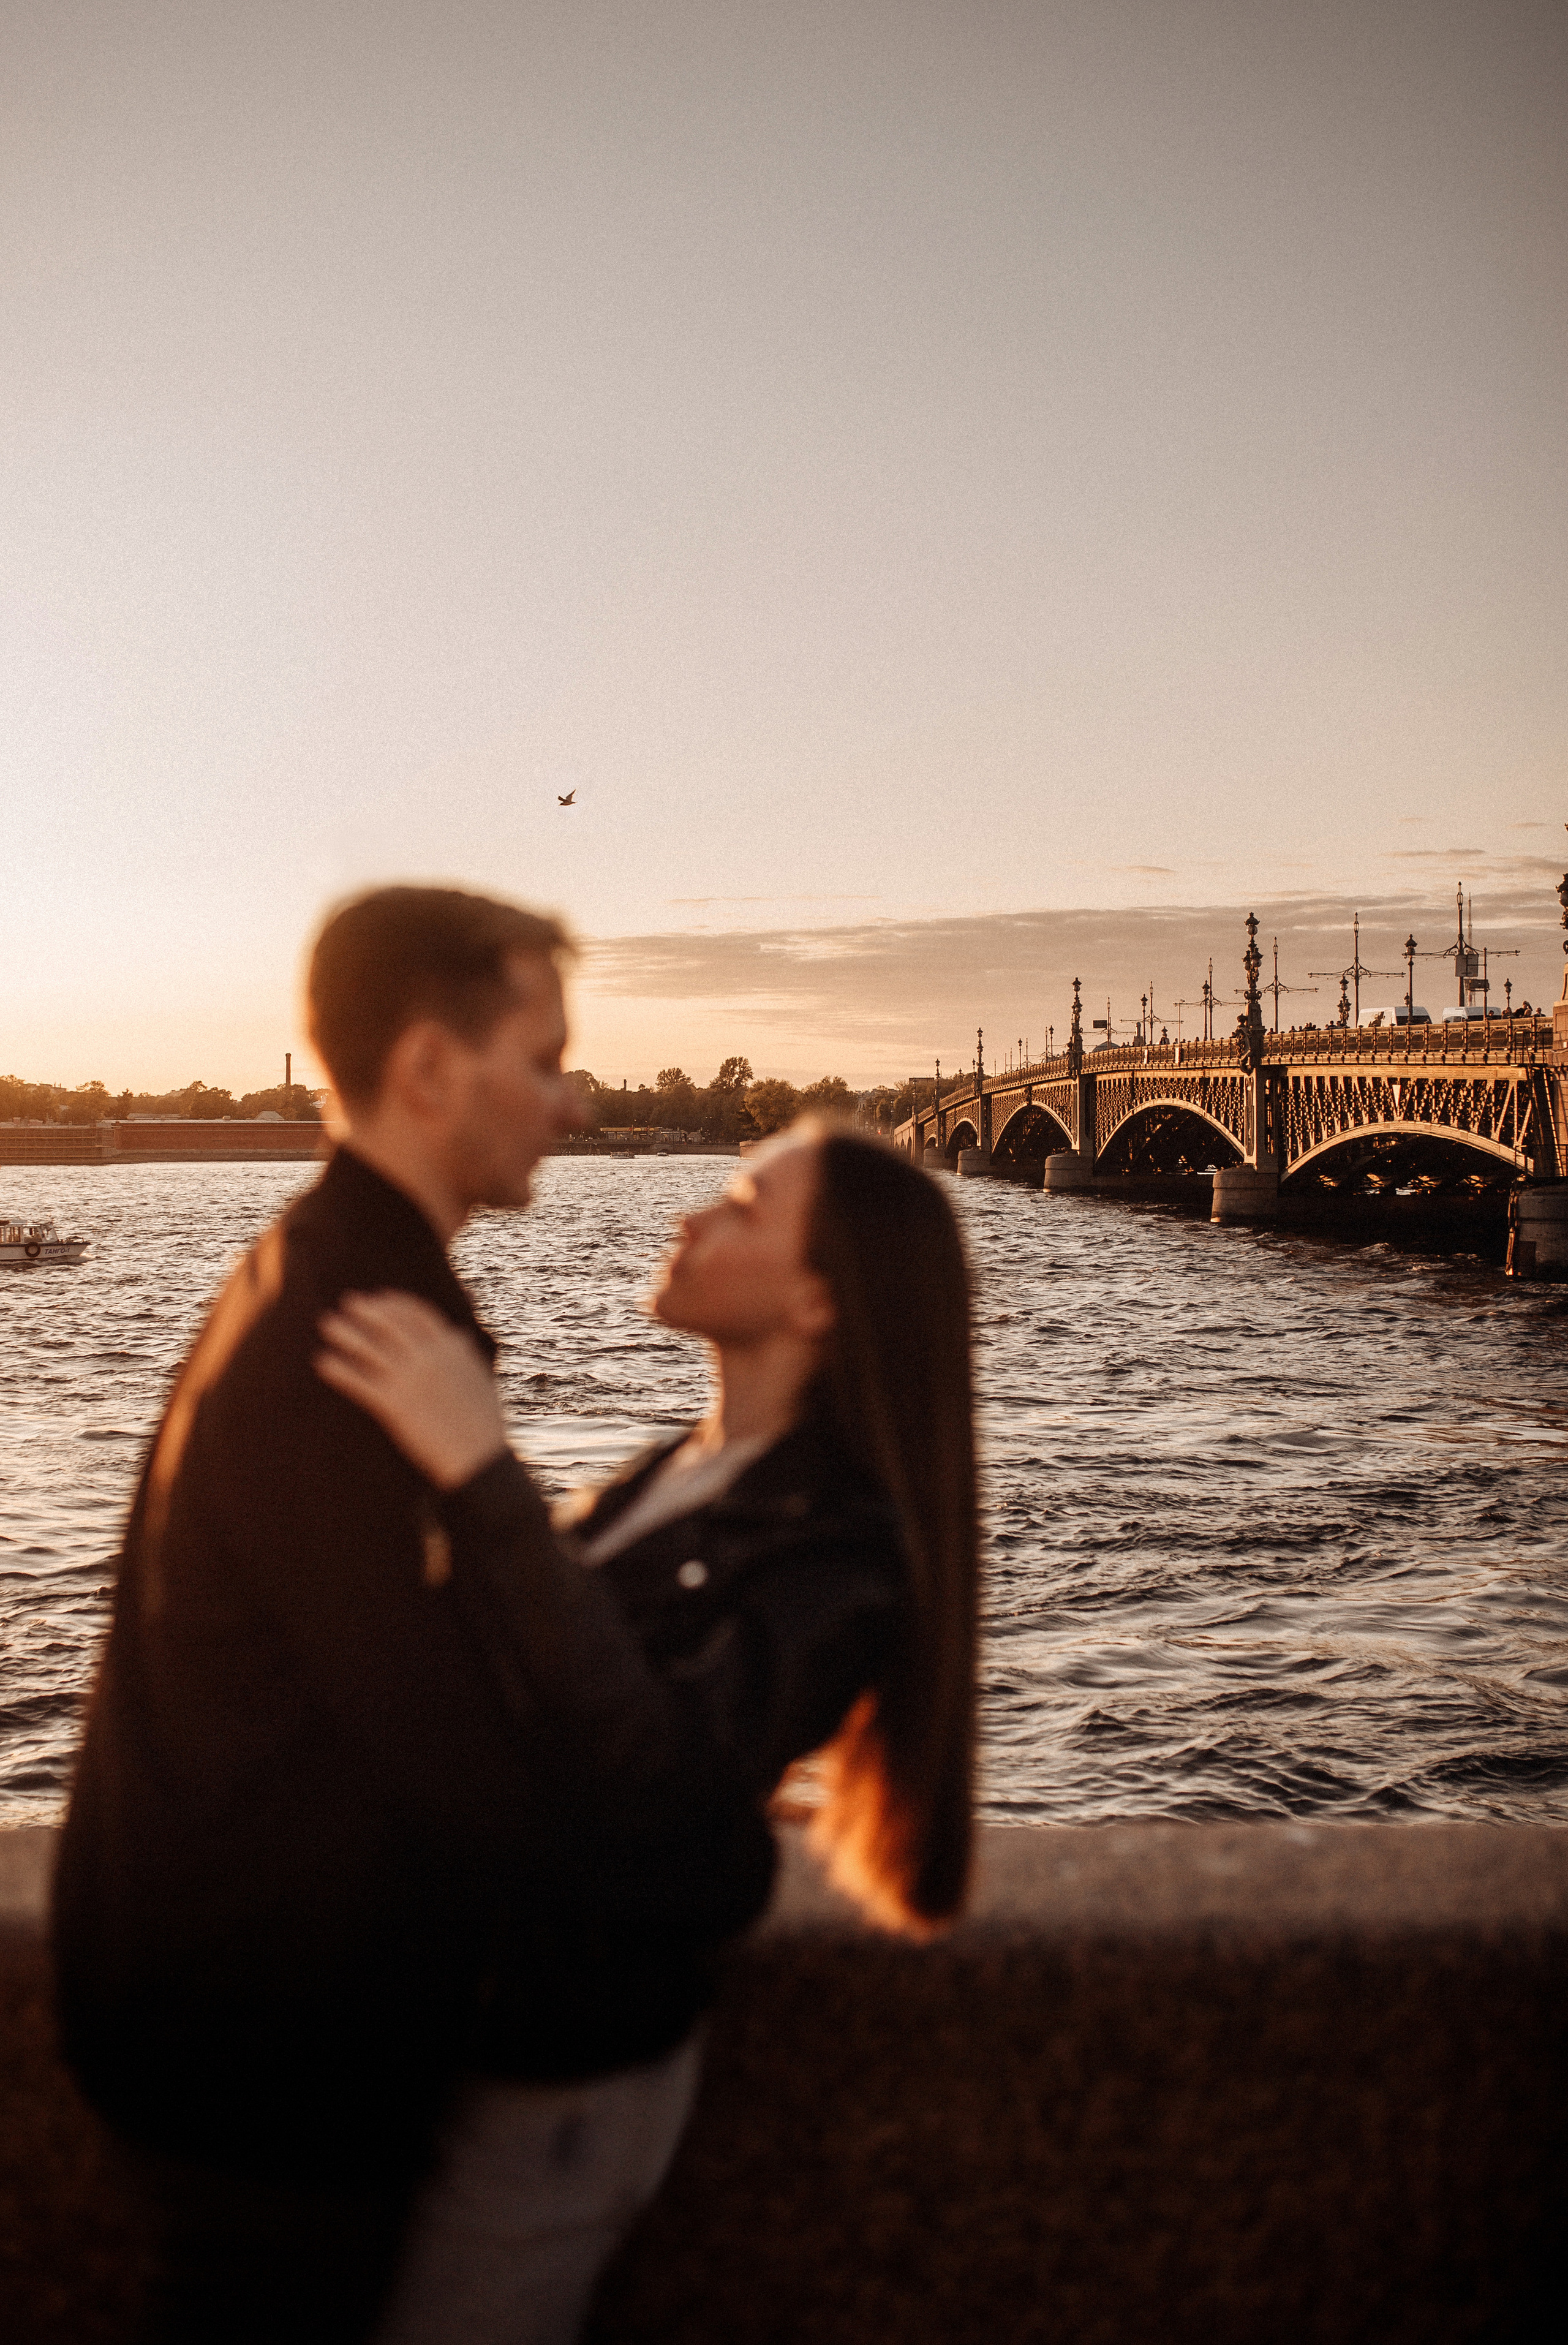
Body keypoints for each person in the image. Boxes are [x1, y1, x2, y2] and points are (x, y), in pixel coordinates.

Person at [51, 883, 665, 2341]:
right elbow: (429, 1731)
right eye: (545, 1059)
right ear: (430, 1069)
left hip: (212, 1994)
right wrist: (680, 1852)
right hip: (258, 2034)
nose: (572, 1105)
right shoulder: (366, 1322)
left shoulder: (324, 1265)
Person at [311, 1119, 979, 2345]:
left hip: (563, 2065)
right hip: (473, 2009)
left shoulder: (844, 1547)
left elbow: (664, 1775)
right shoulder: (690, 1467)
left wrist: (480, 1473)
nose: (690, 1218)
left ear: (819, 1302)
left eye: (737, 1206)